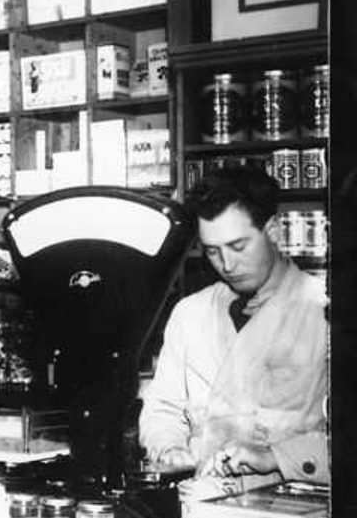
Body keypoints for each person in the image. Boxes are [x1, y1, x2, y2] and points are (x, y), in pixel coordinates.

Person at [139, 166, 329, 491]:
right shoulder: (190, 314)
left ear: (273, 230)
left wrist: (277, 456)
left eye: (239, 247)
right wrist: (169, 447)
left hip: (292, 507)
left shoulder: (325, 310)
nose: (227, 265)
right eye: (213, 251)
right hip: (201, 502)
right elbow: (163, 409)